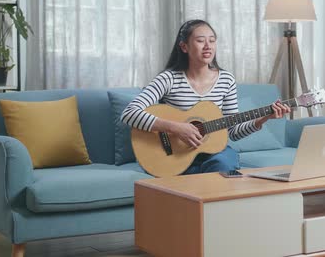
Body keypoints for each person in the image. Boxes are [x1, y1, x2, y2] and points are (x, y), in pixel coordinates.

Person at [121, 19, 291, 174]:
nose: (208, 46)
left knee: (223, 166)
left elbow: (233, 133)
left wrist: (262, 118)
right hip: (175, 156)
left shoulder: (226, 80)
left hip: (214, 154)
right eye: (200, 41)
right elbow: (129, 113)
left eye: (212, 40)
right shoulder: (169, 79)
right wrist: (175, 128)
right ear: (184, 47)